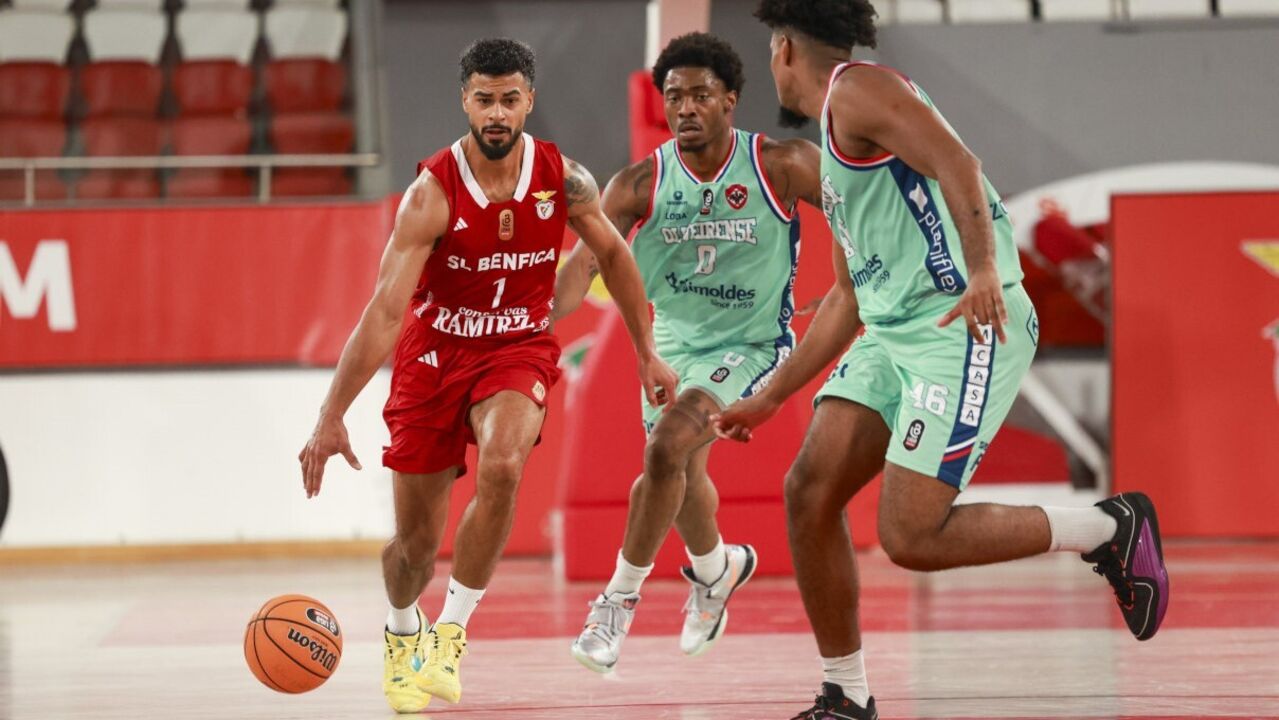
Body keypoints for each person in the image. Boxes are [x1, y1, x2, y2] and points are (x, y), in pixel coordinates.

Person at [713, 3, 1170, 718]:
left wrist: (984, 269)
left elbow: (959, 163)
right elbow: (846, 297)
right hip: (895, 330)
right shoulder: (835, 149)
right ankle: (845, 694)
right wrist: (772, 395)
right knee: (809, 491)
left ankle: (1109, 527)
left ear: (782, 50)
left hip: (962, 325)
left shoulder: (856, 90)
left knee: (911, 537)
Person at [296, 38, 677, 713]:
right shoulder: (430, 193)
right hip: (434, 357)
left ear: (528, 99)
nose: (496, 113)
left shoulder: (566, 178)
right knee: (412, 548)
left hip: (517, 349)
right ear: (464, 101)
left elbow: (614, 257)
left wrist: (646, 349)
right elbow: (384, 314)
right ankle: (402, 630)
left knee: (504, 466)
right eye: (483, 99)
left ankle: (450, 634)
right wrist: (331, 415)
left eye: (508, 99)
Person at [553, 32, 822, 673]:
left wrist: (875, 277)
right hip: (673, 346)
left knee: (665, 448)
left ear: (730, 99)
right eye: (674, 97)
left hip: (752, 345)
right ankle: (717, 570)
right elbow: (578, 269)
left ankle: (616, 603)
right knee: (684, 478)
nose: (686, 108)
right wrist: (526, 324)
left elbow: (863, 213)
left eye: (701, 94)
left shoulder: (781, 164)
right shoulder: (638, 184)